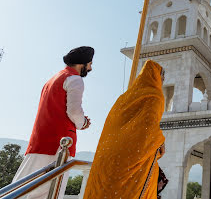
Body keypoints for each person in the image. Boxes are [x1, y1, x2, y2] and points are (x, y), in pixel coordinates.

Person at [13, 46, 94, 199]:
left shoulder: (53, 79)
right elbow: (74, 111)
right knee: (50, 190)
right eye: (89, 64)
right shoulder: (75, 79)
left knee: (24, 188)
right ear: (81, 64)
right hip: (59, 143)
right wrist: (83, 123)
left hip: (39, 140)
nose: (90, 68)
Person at [83, 60, 166, 199]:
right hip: (132, 164)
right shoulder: (155, 96)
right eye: (161, 78)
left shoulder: (124, 98)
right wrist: (161, 142)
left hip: (107, 158)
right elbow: (147, 128)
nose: (162, 82)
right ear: (157, 77)